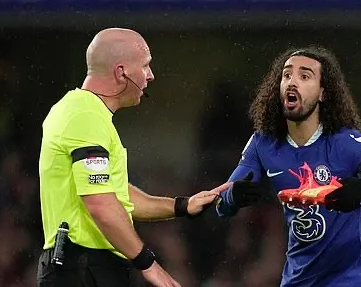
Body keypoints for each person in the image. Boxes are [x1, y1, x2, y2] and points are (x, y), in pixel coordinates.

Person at [37, 28, 229, 287]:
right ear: (121, 72)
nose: (151, 75)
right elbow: (101, 205)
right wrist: (149, 265)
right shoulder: (85, 117)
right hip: (82, 268)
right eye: (146, 66)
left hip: (88, 268)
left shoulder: (85, 113)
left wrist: (181, 206)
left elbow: (114, 195)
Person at [216, 46, 361, 286]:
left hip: (351, 279)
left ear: (323, 93)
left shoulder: (346, 142)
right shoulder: (262, 144)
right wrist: (233, 197)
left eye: (304, 76)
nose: (292, 82)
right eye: (287, 75)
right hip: (298, 280)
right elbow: (221, 203)